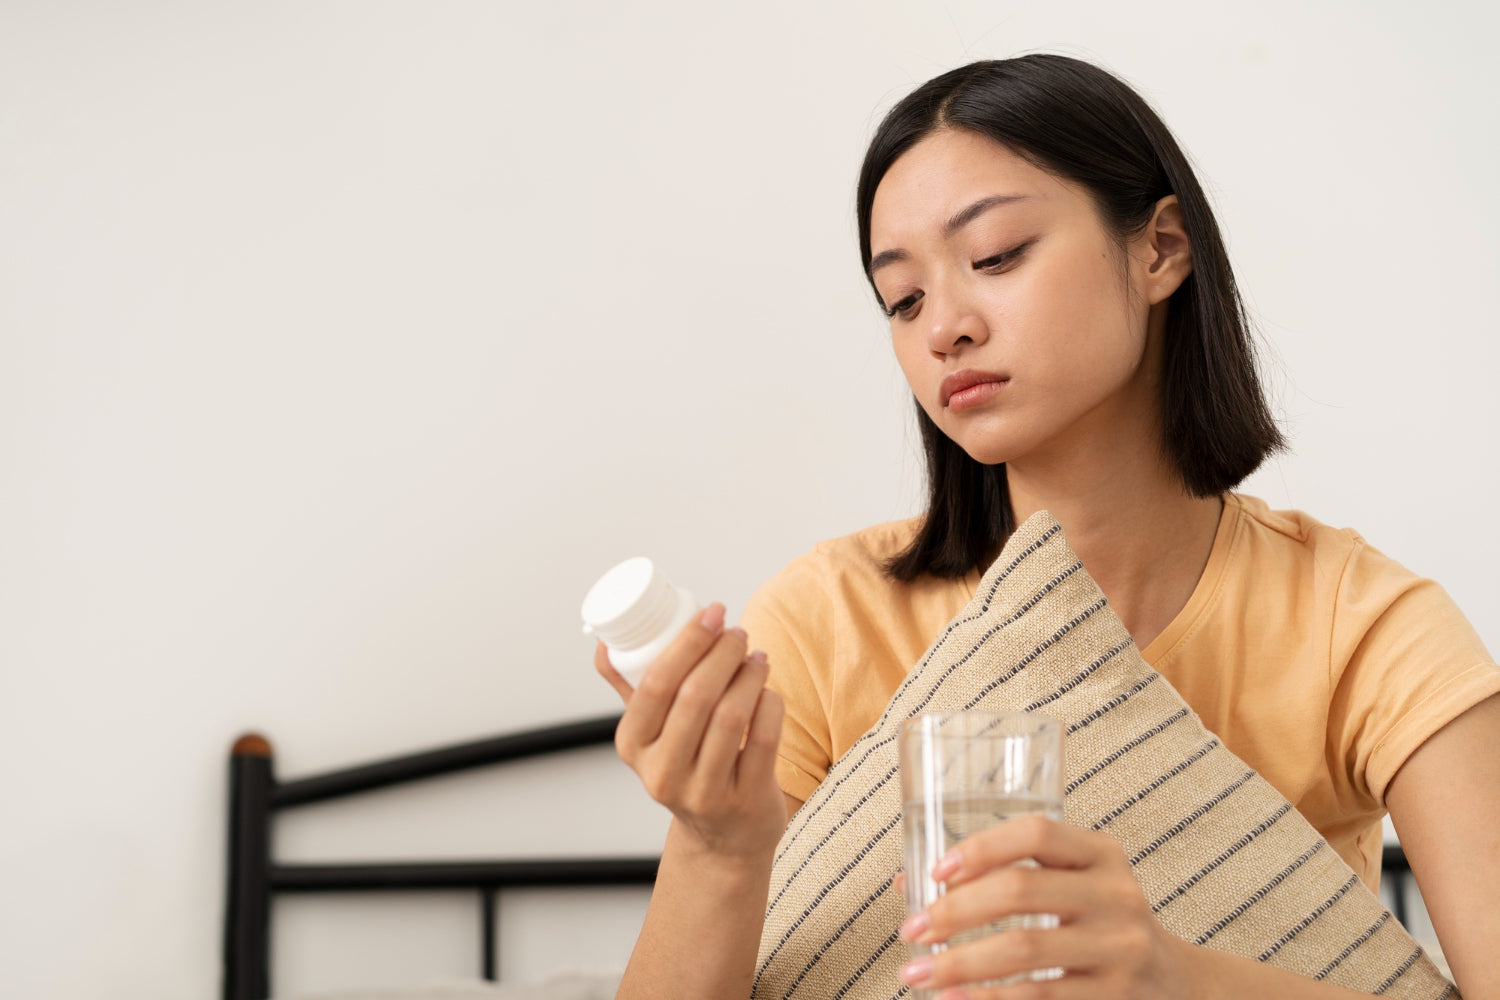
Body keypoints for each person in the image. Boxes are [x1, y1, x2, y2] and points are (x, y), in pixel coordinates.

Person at [593, 55, 1500, 999]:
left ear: (1159, 249)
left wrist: (1177, 978)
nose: (943, 326)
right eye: (902, 300)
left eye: (994, 257)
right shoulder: (831, 617)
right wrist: (718, 848)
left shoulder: (1363, 625)